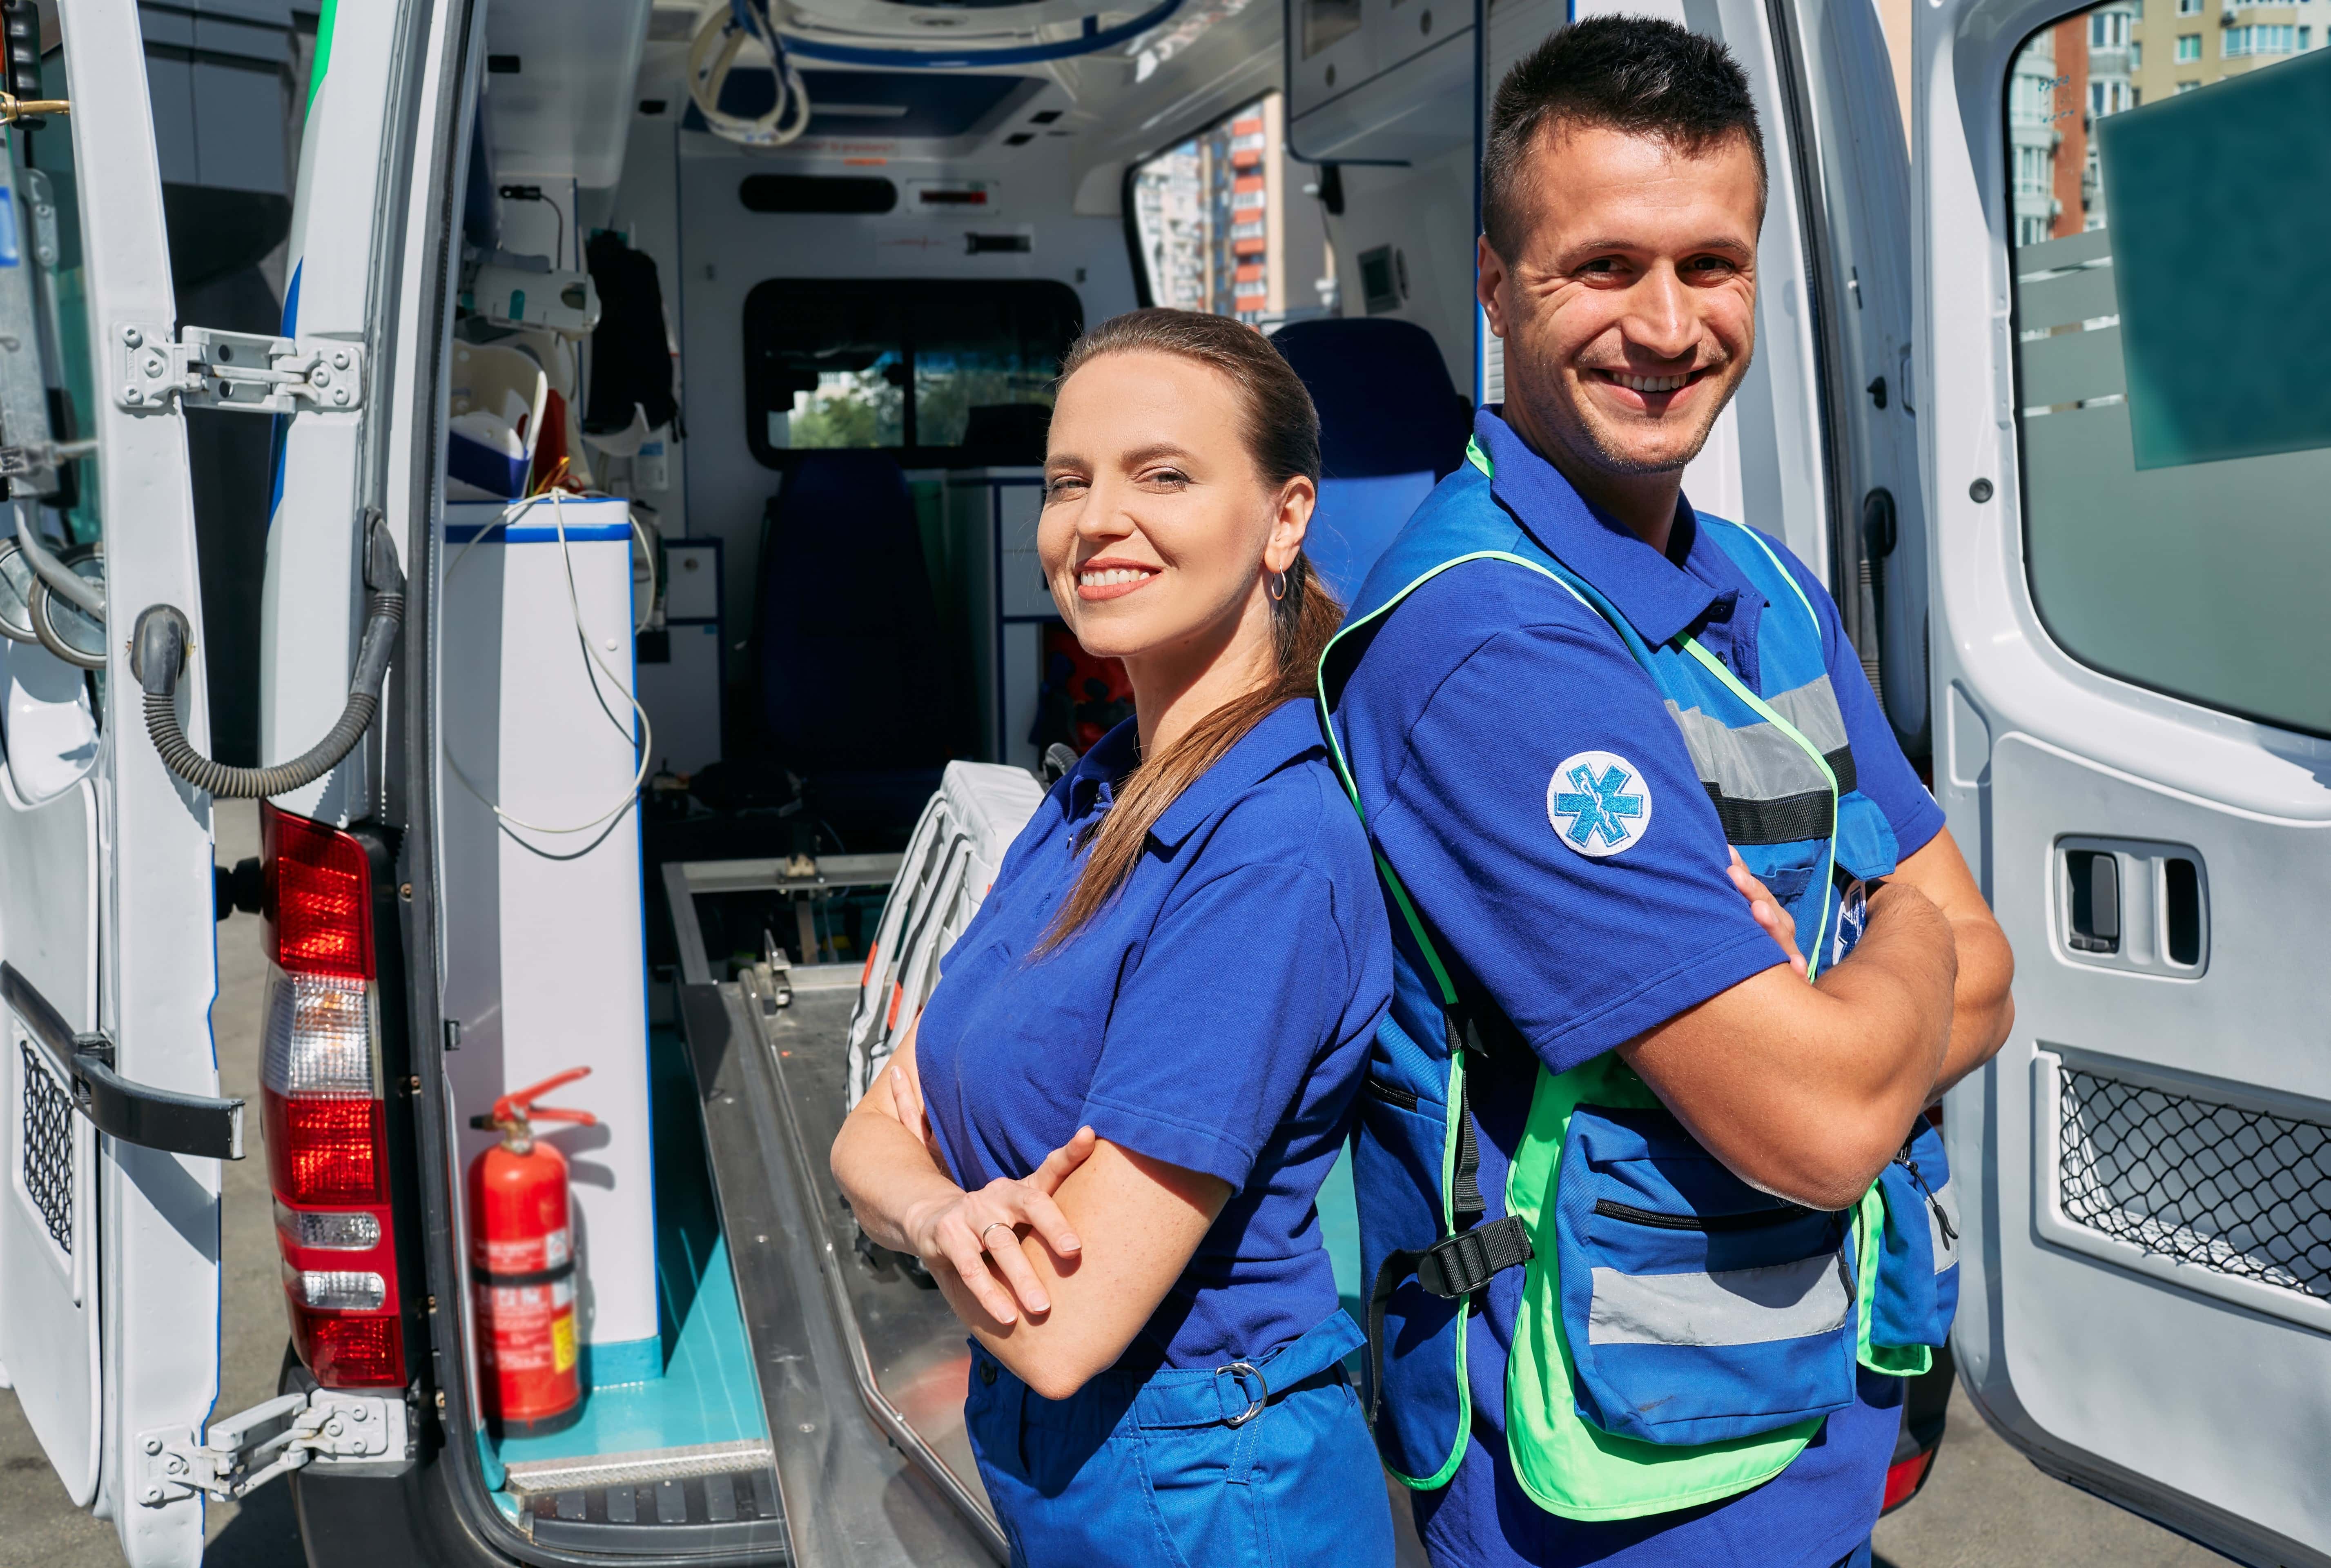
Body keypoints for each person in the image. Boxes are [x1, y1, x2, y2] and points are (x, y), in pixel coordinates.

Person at [1318, 18, 2015, 1568]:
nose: (1666, 323)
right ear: (1495, 288)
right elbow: (1824, 1118)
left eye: (1711, 265)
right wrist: (1892, 942)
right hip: (1619, 1498)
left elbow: (1995, 975)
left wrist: (1847, 981)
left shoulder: (1761, 584)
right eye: (1602, 267)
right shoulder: (1484, 647)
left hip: (1815, 1427)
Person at [830, 309, 1397, 1568]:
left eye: (1162, 476)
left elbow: (1061, 1324)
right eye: (1066, 483)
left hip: (1209, 1492)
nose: (1093, 522)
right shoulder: (1100, 788)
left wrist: (914, 1195)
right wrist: (940, 1219)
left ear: (1285, 517)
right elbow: (868, 1127)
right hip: (1071, 1470)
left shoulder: (1267, 849)